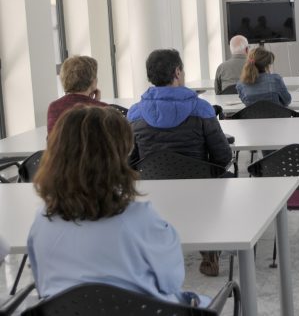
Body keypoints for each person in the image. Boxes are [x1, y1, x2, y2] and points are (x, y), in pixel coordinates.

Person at [28, 106, 205, 306]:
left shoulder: (42, 221)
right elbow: (172, 280)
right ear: (118, 156)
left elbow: (43, 285)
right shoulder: (140, 220)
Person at [127, 49, 232, 277]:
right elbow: (223, 157)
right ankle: (209, 249)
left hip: (153, 190)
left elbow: (130, 160)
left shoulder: (134, 114)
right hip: (199, 189)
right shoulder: (202, 108)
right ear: (177, 72)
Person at [47, 55, 108, 133]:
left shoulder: (54, 107)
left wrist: (95, 103)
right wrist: (97, 103)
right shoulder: (105, 110)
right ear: (92, 81)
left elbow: (51, 141)